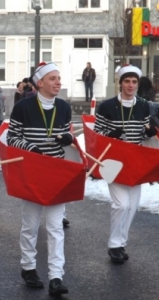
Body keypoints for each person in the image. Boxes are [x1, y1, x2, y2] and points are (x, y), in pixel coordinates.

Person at [7, 62, 73, 297]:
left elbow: (68, 133)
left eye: (59, 78)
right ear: (40, 83)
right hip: (31, 171)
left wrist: (67, 138)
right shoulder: (23, 106)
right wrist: (31, 148)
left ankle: (56, 276)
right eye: (53, 78)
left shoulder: (64, 107)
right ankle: (28, 267)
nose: (58, 82)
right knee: (31, 225)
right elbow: (11, 137)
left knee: (56, 227)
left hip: (56, 171)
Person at [94, 65, 157, 263]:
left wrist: (148, 132)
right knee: (121, 204)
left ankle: (120, 243)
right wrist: (110, 135)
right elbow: (96, 134)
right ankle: (114, 245)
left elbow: (145, 129)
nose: (130, 85)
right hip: (113, 160)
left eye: (134, 82)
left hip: (136, 160)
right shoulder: (106, 106)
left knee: (132, 206)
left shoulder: (144, 105)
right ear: (120, 83)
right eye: (127, 81)